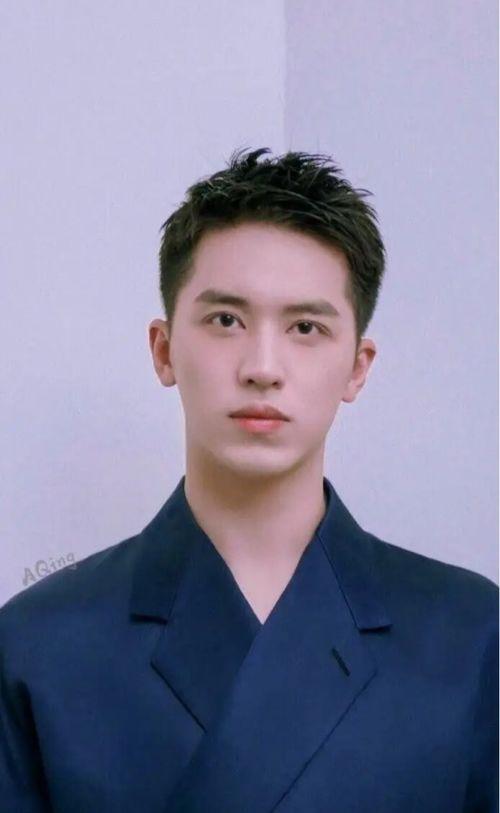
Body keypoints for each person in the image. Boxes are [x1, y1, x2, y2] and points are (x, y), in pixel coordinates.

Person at [0, 147, 497, 812]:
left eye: (305, 327)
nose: (263, 366)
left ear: (357, 367)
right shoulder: (38, 643)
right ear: (163, 349)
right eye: (226, 320)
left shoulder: (469, 634)